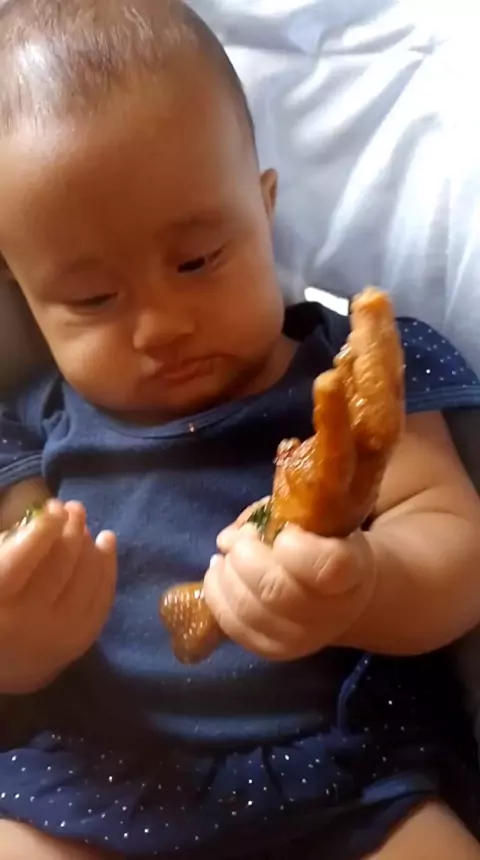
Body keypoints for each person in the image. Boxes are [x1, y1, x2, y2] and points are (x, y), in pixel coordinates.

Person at [1, 1, 480, 858]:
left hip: (344, 770)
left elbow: (455, 546)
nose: (161, 327)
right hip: (100, 777)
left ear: (264, 209)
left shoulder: (352, 373)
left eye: (197, 261)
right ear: (25, 297)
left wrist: (364, 588)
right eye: (93, 298)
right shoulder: (32, 428)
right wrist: (20, 646)